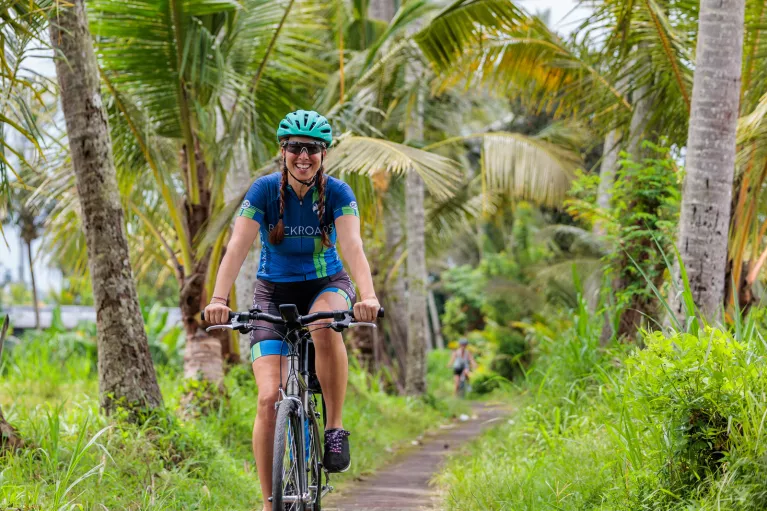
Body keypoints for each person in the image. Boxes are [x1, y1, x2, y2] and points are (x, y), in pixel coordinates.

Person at [203, 110, 380, 511]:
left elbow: (352, 246)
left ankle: (333, 427)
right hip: (272, 292)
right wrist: (218, 299)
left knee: (322, 324)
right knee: (268, 399)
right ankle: (270, 503)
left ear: (323, 154)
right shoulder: (263, 191)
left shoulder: (338, 193)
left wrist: (367, 296)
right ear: (282, 151)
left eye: (312, 149)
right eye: (295, 147)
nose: (304, 156)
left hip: (326, 285)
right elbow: (237, 247)